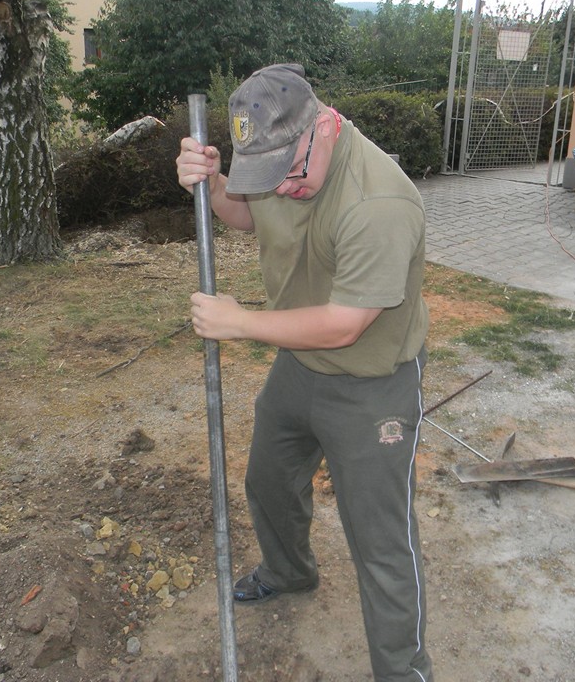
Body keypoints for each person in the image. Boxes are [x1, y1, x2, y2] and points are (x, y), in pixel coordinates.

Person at [175, 63, 432, 682]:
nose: (281, 189)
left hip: (371, 382)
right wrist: (212, 184)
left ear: (322, 126)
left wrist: (241, 322)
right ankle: (289, 572)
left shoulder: (379, 201)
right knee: (269, 480)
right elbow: (245, 214)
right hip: (299, 363)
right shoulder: (281, 159)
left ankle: (404, 672)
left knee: (380, 539)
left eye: (286, 173)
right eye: (264, 175)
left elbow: (345, 325)